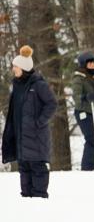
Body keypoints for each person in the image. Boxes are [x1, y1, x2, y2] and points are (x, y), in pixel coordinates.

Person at [3, 45, 58, 198]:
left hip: (36, 139)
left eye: (15, 66)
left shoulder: (38, 85)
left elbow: (52, 104)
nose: (13, 69)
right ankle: (27, 206)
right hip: (21, 139)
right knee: (24, 173)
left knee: (38, 171)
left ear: (24, 68)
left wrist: (39, 122)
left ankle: (40, 206)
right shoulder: (17, 86)